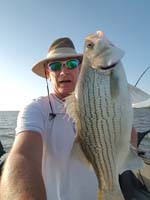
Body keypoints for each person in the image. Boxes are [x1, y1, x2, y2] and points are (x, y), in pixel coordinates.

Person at [0, 37, 149, 200]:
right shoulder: (35, 109)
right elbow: (23, 156)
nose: (63, 71)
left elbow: (130, 137)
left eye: (71, 64)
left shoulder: (99, 99)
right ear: (48, 74)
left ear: (80, 68)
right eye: (55, 66)